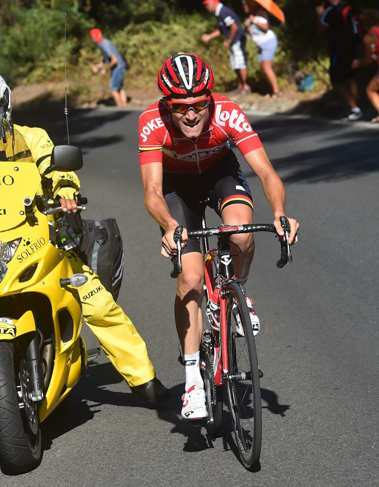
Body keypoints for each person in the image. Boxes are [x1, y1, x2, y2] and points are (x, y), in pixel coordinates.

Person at [0, 68, 169, 450]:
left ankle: (143, 379)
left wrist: (66, 191)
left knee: (93, 299)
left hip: (30, 238)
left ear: (3, 106)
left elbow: (58, 170)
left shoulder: (31, 138)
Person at [137, 53, 299, 420]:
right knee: (190, 279)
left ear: (210, 99)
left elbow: (266, 172)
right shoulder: (151, 121)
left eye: (199, 105)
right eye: (181, 108)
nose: (191, 115)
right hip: (177, 189)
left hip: (219, 173)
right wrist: (169, 225)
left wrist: (279, 213)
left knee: (240, 234)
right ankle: (193, 378)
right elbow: (152, 190)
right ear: (167, 105)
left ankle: (236, 288)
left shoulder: (228, 113)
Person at [317, 0, 362, 121]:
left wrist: (320, 14)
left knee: (336, 80)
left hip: (338, 49)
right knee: (350, 77)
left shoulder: (330, 11)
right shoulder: (350, 7)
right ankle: (356, 105)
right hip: (353, 47)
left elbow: (320, 30)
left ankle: (355, 108)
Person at [202, 0, 251, 95]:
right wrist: (209, 36)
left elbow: (234, 27)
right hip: (234, 42)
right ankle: (240, 86)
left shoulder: (223, 11)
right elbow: (222, 29)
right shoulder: (219, 13)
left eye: (207, 4)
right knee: (235, 64)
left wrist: (229, 41)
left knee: (240, 63)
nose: (206, 7)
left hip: (237, 41)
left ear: (213, 3)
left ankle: (245, 87)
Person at [242, 0, 281, 99]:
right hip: (261, 45)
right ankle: (271, 90)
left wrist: (254, 20)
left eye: (245, 5)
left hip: (268, 42)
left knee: (267, 67)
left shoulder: (261, 14)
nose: (244, 7)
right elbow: (253, 32)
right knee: (264, 68)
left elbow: (266, 27)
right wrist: (248, 26)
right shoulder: (252, 16)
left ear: (251, 5)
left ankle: (276, 91)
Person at [89, 29, 128, 107]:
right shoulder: (104, 43)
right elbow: (108, 57)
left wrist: (105, 70)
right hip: (121, 65)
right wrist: (100, 64)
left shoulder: (104, 44)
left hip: (118, 67)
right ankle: (124, 107)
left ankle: (120, 108)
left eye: (91, 37)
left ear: (94, 37)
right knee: (120, 88)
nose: (91, 39)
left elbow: (114, 59)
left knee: (113, 89)